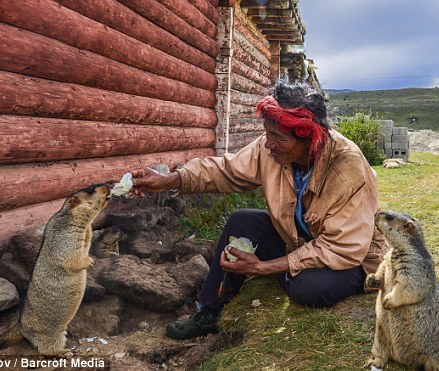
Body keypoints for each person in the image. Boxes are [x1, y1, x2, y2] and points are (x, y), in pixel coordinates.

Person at [130, 81, 387, 340]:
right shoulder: (273, 150)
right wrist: (170, 180)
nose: (268, 145)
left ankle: (318, 276)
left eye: (278, 138)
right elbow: (225, 170)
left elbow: (341, 248)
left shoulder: (348, 168)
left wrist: (263, 267)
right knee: (241, 222)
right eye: (267, 134)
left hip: (353, 255)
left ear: (308, 137)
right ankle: (211, 311)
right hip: (299, 239)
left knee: (308, 288)